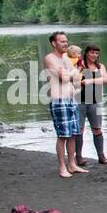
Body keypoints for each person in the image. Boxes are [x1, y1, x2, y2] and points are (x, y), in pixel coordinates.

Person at [43, 31, 87, 178]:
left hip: (71, 99)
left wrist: (72, 72)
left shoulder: (66, 59)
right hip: (59, 100)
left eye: (66, 41)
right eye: (62, 41)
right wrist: (72, 72)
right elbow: (63, 77)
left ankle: (72, 164)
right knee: (63, 135)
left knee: (74, 133)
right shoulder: (50, 58)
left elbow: (75, 76)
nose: (66, 44)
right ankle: (62, 167)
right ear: (54, 43)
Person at [76, 44, 107, 166]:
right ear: (86, 53)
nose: (95, 55)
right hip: (79, 101)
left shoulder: (100, 66)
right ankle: (79, 157)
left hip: (95, 101)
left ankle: (101, 156)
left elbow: (106, 80)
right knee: (79, 129)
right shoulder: (80, 65)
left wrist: (90, 80)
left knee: (97, 129)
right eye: (92, 53)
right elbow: (75, 80)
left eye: (96, 53)